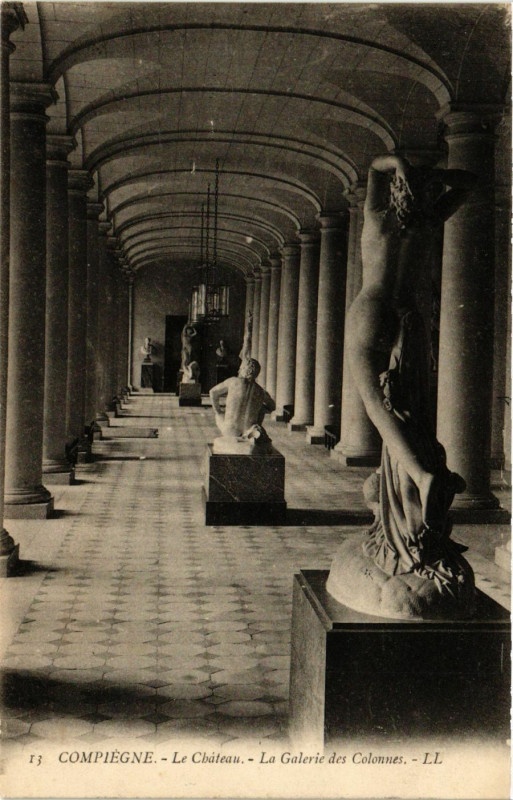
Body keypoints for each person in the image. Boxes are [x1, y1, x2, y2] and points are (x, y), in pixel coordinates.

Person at [346, 154, 476, 591]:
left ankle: (421, 476)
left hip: (373, 307)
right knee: (409, 407)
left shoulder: (378, 221)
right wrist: (430, 177)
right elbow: (469, 180)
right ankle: (419, 477)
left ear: (396, 191)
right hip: (410, 318)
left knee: (377, 404)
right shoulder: (426, 219)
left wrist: (399, 164)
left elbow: (373, 169)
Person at [209, 311, 275, 440]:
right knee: (261, 407)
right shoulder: (260, 390)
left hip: (229, 430)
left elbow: (212, 392)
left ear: (243, 368)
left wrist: (218, 411)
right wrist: (260, 409)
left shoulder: (233, 381)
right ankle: (254, 430)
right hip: (249, 429)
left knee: (219, 416)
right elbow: (272, 406)